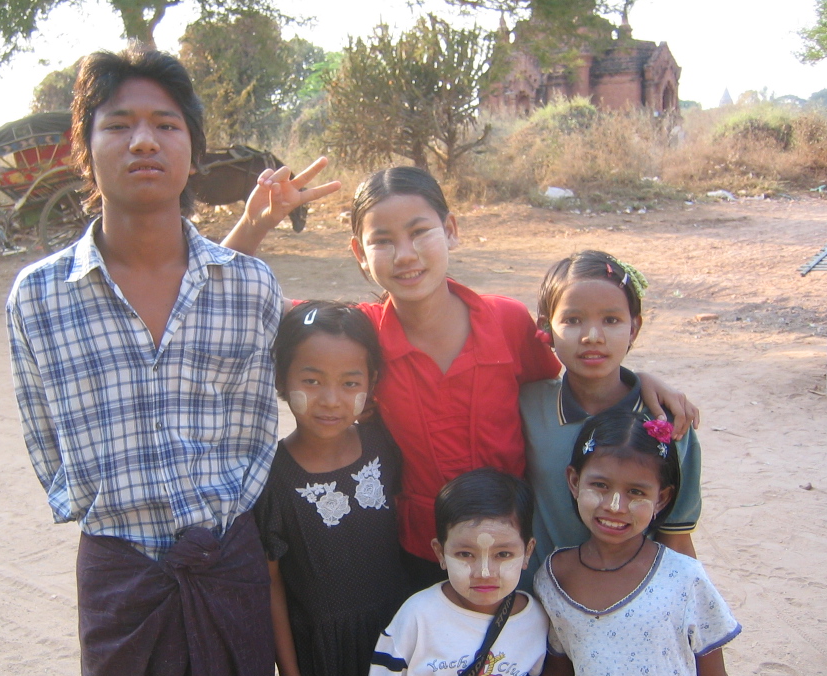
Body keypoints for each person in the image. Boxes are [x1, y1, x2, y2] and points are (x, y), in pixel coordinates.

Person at [5, 48, 333, 676]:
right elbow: (44, 438)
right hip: (121, 583)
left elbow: (258, 424)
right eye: (118, 124)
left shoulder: (250, 288)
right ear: (85, 148)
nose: (143, 141)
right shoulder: (39, 296)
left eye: (166, 124)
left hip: (227, 569)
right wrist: (110, 517)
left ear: (193, 149)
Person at [226, 166, 697, 593]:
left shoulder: (507, 322)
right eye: (383, 240)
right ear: (359, 254)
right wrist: (255, 223)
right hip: (424, 551)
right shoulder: (360, 333)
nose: (405, 254)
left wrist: (638, 382)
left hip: (516, 548)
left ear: (450, 230)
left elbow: (567, 385)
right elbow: (231, 293)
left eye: (419, 232)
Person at [511, 410, 739, 676]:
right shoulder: (553, 577)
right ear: (574, 482)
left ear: (661, 499)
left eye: (636, 492)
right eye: (600, 486)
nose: (615, 506)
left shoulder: (683, 577)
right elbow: (560, 668)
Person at [253, 300, 408, 676]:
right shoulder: (271, 477)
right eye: (312, 380)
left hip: (395, 647)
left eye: (350, 383)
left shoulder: (386, 445)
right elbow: (271, 585)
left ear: (372, 383)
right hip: (322, 664)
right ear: (281, 380)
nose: (331, 399)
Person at [353, 467, 567, 676]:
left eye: (503, 554)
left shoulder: (534, 622)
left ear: (528, 551)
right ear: (440, 553)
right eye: (465, 554)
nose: (484, 572)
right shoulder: (417, 617)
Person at [519, 251, 702, 587]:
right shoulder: (527, 406)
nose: (593, 336)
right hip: (538, 598)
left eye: (611, 320)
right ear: (546, 326)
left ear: (635, 328)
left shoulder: (667, 421)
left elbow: (675, 536)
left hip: (632, 603)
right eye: (573, 320)